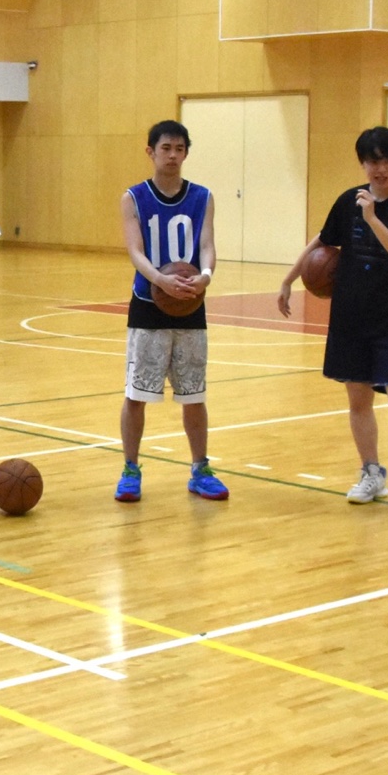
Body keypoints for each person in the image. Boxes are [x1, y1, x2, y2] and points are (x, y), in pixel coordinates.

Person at [278, 127, 388, 511]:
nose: (379, 168)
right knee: (358, 400)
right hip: (350, 318)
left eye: (386, 160)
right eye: (372, 160)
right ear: (363, 163)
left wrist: (372, 218)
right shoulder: (347, 200)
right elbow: (322, 241)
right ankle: (371, 473)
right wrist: (289, 278)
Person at [114, 120, 227, 502]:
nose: (173, 155)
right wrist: (158, 281)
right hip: (149, 304)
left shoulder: (202, 196)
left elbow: (207, 244)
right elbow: (135, 251)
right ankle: (130, 468)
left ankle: (200, 468)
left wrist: (206, 275)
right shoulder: (133, 197)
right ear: (151, 151)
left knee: (194, 394)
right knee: (137, 393)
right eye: (166, 148)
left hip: (190, 303)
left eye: (180, 149)